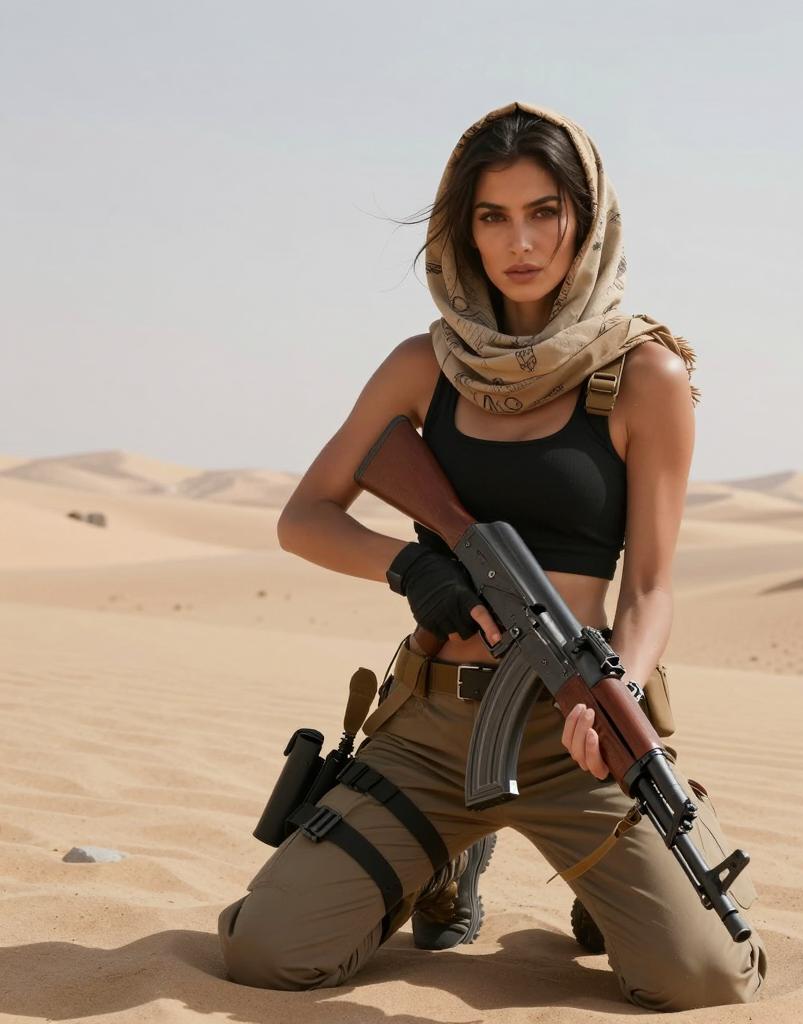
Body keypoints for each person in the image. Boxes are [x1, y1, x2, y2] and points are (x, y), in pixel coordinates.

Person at [217, 99, 767, 1012]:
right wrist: (408, 568)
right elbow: (305, 517)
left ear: (584, 220)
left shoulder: (644, 376)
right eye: (493, 215)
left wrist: (620, 692)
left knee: (702, 976)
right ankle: (444, 861)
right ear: (461, 229)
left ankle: (605, 881)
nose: (522, 241)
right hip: (429, 734)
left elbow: (655, 587)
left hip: (574, 739)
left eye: (544, 211)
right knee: (265, 956)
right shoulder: (423, 366)